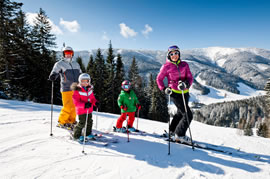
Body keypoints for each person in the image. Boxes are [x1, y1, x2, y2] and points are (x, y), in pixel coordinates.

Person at [156, 45, 193, 142]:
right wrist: (164, 89)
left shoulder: (184, 64)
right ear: (169, 55)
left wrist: (186, 84)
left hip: (185, 92)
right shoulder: (166, 66)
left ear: (179, 54)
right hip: (175, 93)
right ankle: (179, 135)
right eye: (171, 54)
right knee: (188, 115)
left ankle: (172, 131)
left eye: (176, 53)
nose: (174, 55)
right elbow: (159, 79)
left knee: (180, 113)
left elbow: (190, 77)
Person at [49, 46, 81, 129]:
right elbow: (54, 72)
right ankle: (62, 121)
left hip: (76, 88)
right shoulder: (60, 64)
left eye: (70, 53)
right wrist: (53, 76)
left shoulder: (76, 64)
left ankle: (71, 121)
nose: (68, 55)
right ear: (63, 54)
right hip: (66, 88)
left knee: (74, 106)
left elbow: (80, 75)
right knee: (67, 106)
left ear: (72, 54)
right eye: (66, 53)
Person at [71, 73, 97, 140]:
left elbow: (92, 98)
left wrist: (95, 103)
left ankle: (87, 133)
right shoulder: (77, 90)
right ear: (80, 81)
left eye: (86, 81)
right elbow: (76, 102)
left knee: (89, 122)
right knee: (82, 123)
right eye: (83, 81)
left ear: (89, 81)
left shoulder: (90, 89)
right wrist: (84, 105)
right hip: (81, 111)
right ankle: (76, 135)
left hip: (89, 109)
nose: (85, 83)